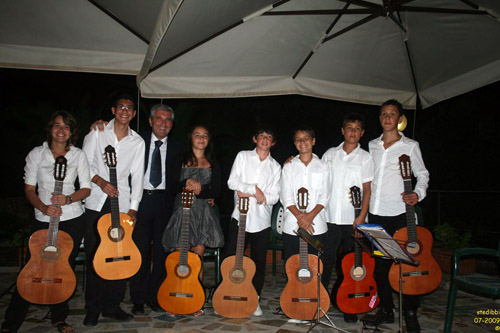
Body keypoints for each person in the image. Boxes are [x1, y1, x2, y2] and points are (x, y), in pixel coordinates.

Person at [2, 111, 91, 333]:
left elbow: (86, 188)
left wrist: (68, 198)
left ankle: (59, 318)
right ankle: (11, 322)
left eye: (66, 127)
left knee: (64, 269)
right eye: (57, 126)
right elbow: (29, 189)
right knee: (32, 267)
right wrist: (43, 207)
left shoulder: (78, 155)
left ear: (72, 132)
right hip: (43, 218)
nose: (61, 130)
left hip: (71, 218)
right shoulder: (36, 154)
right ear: (50, 128)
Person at [82, 94, 145, 326]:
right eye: (121, 107)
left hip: (123, 202)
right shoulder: (97, 133)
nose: (125, 111)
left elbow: (138, 177)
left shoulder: (137, 142)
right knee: (94, 254)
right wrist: (99, 181)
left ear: (134, 114)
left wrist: (134, 209)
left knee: (121, 253)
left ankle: (112, 305)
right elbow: (83, 165)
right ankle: (93, 307)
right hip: (96, 201)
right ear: (113, 110)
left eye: (130, 108)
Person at [369, 99, 429, 333]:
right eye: (383, 114)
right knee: (380, 267)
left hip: (400, 214)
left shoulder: (411, 145)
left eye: (392, 114)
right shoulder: (372, 145)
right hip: (376, 214)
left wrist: (417, 193)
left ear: (400, 119)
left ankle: (411, 313)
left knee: (407, 266)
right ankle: (386, 309)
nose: (387, 118)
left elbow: (422, 174)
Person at [162, 125, 224, 315]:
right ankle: (176, 295)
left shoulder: (212, 161)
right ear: (191, 138)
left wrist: (199, 188)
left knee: (197, 257)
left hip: (203, 212)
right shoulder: (179, 159)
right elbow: (171, 186)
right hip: (183, 209)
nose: (201, 138)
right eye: (197, 135)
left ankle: (196, 300)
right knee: (180, 256)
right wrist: (186, 182)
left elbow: (217, 190)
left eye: (205, 135)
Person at [129, 104, 184, 315]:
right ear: (151, 121)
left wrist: (204, 195)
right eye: (159, 119)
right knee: (139, 251)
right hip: (140, 202)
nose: (163, 123)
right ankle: (138, 299)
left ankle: (156, 296)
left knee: (162, 251)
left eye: (168, 120)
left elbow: (195, 165)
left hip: (165, 204)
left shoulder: (179, 148)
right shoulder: (137, 141)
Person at [321, 112, 373, 323]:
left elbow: (367, 189)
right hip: (330, 217)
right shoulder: (330, 154)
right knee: (326, 260)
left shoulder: (366, 157)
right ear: (343, 130)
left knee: (351, 263)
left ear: (362, 132)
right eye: (349, 128)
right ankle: (320, 301)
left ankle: (348, 304)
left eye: (357, 128)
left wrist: (361, 216)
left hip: (353, 220)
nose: (353, 132)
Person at [224, 126, 281, 316]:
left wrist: (254, 193)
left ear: (273, 142)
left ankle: (254, 298)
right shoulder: (243, 156)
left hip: (261, 221)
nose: (265, 139)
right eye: (262, 136)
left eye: (269, 137)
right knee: (230, 257)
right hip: (238, 217)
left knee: (258, 261)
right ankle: (226, 293)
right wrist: (255, 190)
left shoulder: (276, 167)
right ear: (255, 139)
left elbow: (274, 197)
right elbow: (232, 182)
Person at [280, 127, 331, 263]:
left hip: (317, 226)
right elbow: (286, 196)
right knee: (292, 269)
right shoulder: (288, 167)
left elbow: (325, 195)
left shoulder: (323, 166)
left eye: (306, 138)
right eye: (298, 139)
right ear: (295, 143)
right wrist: (301, 217)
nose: (302, 142)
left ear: (313, 141)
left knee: (316, 269)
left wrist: (309, 217)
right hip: (292, 226)